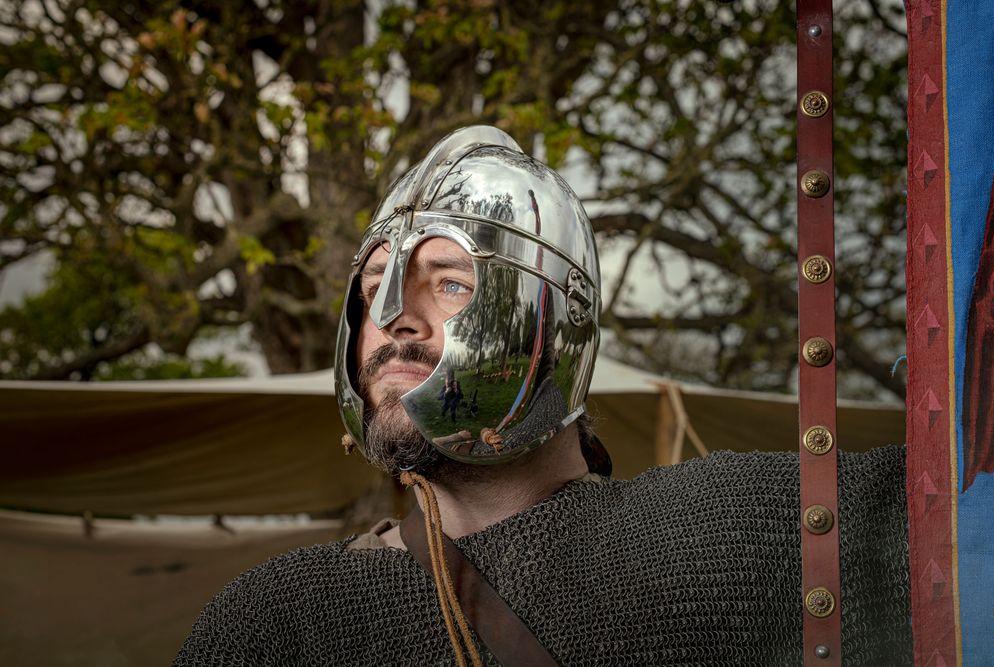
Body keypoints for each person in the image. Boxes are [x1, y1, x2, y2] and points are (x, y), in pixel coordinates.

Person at [175, 126, 911, 665]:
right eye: (375, 289)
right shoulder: (277, 621)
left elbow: (965, 496)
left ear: (554, 325)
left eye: (452, 282)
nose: (393, 316)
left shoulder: (738, 532)